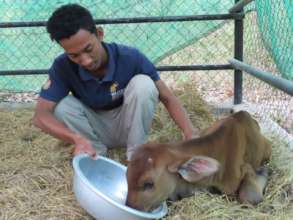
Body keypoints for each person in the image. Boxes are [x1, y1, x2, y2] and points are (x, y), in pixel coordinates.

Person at [33, 3, 198, 161]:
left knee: (144, 85)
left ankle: (136, 155)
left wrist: (190, 132)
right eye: (74, 55)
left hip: (129, 125)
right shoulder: (62, 66)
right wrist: (76, 139)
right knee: (62, 106)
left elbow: (167, 97)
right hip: (95, 128)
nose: (86, 61)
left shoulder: (130, 57)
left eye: (88, 49)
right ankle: (94, 154)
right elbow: (41, 116)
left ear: (99, 34)